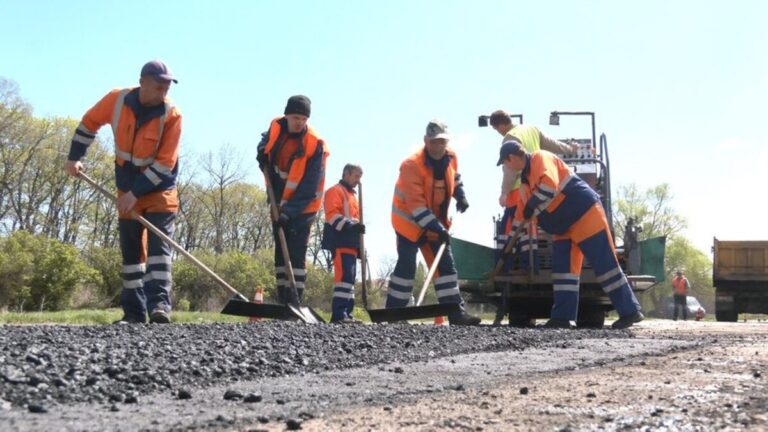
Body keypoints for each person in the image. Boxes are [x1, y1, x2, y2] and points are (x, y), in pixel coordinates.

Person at [65, 60, 182, 324]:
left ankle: (160, 307)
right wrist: (74, 157)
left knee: (158, 251)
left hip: (159, 190)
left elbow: (165, 163)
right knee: (131, 255)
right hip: (126, 188)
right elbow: (88, 124)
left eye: (166, 88)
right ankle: (133, 314)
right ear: (142, 82)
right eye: (158, 87)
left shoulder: (172, 114)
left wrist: (136, 193)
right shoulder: (116, 100)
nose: (163, 92)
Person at [497, 140, 644, 329]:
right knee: (563, 273)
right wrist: (509, 245)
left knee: (605, 265)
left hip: (585, 215)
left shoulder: (541, 158)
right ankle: (563, 317)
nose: (506, 166)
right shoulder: (525, 185)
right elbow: (520, 218)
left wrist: (532, 206)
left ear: (512, 158)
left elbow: (549, 185)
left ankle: (630, 311)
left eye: (505, 162)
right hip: (563, 228)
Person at [385, 120, 480, 325]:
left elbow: (455, 177)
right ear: (426, 141)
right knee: (406, 267)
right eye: (434, 142)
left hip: (435, 221)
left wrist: (460, 195)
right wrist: (438, 228)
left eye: (442, 142)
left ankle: (456, 313)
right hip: (409, 222)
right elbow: (417, 207)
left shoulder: (451, 156)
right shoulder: (411, 165)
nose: (438, 146)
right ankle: (394, 315)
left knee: (447, 268)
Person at [488, 110, 578, 325]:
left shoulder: (509, 139)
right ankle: (533, 265)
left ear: (499, 126)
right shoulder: (531, 129)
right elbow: (553, 145)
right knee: (533, 233)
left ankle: (511, 267)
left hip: (521, 191)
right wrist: (571, 149)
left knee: (510, 231)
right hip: (540, 190)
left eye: (495, 129)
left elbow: (509, 172)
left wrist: (503, 192)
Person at [257, 95, 329, 305]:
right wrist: (261, 152)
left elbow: (309, 187)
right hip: (278, 200)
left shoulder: (315, 144)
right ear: (287, 115)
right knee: (281, 251)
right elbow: (265, 140)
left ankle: (295, 301)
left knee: (296, 253)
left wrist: (289, 213)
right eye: (296, 117)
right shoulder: (276, 126)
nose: (299, 122)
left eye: (304, 119)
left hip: (304, 205)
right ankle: (282, 300)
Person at [321, 164, 364, 324]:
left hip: (351, 242)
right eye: (356, 176)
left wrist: (357, 228)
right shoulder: (335, 191)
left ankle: (347, 312)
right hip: (340, 240)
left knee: (350, 278)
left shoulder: (351, 195)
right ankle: (339, 314)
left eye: (360, 177)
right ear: (346, 174)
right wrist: (353, 225)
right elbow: (332, 215)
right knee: (343, 276)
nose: (358, 181)